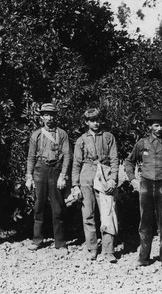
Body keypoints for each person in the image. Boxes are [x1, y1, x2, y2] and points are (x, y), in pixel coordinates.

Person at [125, 110, 162, 272]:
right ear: (150, 127)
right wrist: (133, 180)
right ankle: (143, 257)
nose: (160, 128)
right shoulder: (142, 144)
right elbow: (129, 162)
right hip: (146, 185)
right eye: (156, 125)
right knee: (145, 223)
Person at [71, 108, 119, 263]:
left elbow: (114, 159)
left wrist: (113, 179)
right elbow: (76, 163)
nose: (96, 123)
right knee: (88, 214)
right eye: (92, 120)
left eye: (98, 120)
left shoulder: (108, 137)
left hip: (104, 176)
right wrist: (75, 184)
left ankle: (109, 250)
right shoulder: (81, 140)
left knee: (107, 213)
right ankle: (92, 248)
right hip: (86, 177)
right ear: (86, 122)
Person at [25, 103, 71, 256]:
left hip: (56, 170)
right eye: (46, 114)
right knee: (38, 205)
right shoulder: (36, 134)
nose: (49, 118)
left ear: (55, 116)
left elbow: (67, 156)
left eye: (51, 114)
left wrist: (63, 176)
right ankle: (37, 239)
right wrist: (29, 176)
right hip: (40, 170)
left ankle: (60, 242)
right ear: (41, 117)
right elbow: (31, 156)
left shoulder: (62, 134)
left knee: (57, 207)